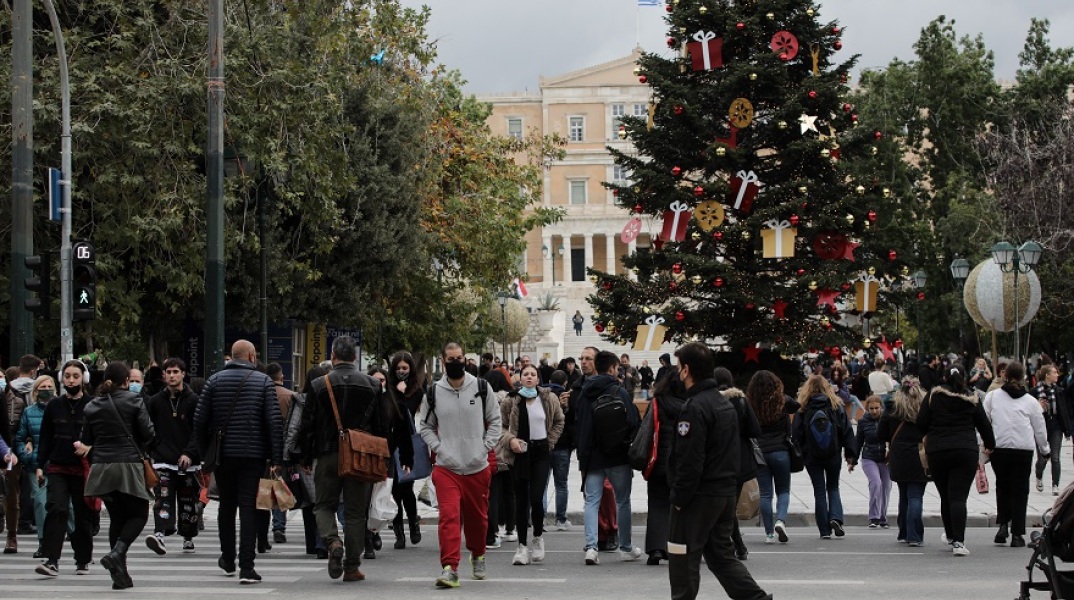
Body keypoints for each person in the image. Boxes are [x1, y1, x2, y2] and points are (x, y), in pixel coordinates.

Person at [666, 342, 772, 600]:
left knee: (682, 556)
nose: (678, 372)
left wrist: (679, 498)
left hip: (698, 496)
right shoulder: (723, 404)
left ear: (686, 370)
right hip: (723, 493)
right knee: (722, 556)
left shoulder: (694, 407)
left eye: (679, 367)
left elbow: (690, 460)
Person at [298, 336, 405, 581]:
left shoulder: (318, 385)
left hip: (327, 453)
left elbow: (308, 426)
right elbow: (381, 426)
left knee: (324, 505)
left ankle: (333, 542)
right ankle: (351, 566)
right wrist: (383, 458)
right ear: (355, 358)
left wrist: (305, 455)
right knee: (357, 512)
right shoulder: (372, 385)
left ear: (333, 356)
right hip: (360, 456)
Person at [194, 340, 283, 584]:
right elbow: (273, 422)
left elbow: (200, 421)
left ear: (232, 357)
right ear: (252, 356)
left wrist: (205, 454)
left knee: (226, 506)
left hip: (223, 456)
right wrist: (276, 458)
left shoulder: (214, 381)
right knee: (248, 508)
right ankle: (247, 567)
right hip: (253, 456)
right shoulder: (264, 382)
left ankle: (227, 559)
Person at [418, 342, 501, 588]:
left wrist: (484, 447)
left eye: (459, 358)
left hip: (477, 466)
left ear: (465, 359)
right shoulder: (433, 392)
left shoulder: (481, 387)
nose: (456, 362)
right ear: (443, 362)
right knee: (449, 517)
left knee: (477, 519)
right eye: (451, 359)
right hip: (446, 468)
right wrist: (440, 448)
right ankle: (450, 568)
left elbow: (495, 420)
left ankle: (478, 555)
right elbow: (425, 426)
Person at [81, 362, 156, 590]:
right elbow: (148, 432)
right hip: (128, 464)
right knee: (139, 514)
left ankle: (120, 575)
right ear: (125, 381)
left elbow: (87, 438)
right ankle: (117, 552)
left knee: (117, 517)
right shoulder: (134, 401)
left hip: (102, 466)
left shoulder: (92, 406)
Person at [917, 365, 995, 556]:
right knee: (958, 497)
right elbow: (984, 424)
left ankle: (951, 536)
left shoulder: (933, 395)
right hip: (965, 450)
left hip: (938, 450)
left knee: (945, 495)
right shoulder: (972, 398)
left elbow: (921, 423)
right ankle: (959, 542)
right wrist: (990, 445)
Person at [575, 350, 642, 565]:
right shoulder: (618, 390)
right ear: (613, 368)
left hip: (593, 456)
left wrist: (583, 457)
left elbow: (582, 426)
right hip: (617, 455)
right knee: (622, 501)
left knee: (592, 501)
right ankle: (626, 547)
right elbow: (632, 421)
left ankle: (592, 547)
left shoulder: (585, 392)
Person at [34, 360, 94, 577]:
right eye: (67, 376)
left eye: (75, 376)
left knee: (81, 515)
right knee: (57, 509)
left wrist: (89, 447)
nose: (71, 380)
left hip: (82, 469)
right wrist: (39, 465)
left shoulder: (92, 404)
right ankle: (51, 560)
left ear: (83, 379)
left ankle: (83, 559)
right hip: (58, 467)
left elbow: (100, 436)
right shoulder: (54, 405)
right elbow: (45, 438)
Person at [500, 364, 564, 565]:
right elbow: (500, 427)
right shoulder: (511, 400)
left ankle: (537, 537)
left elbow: (558, 421)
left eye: (533, 374)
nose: (529, 377)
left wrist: (550, 441)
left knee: (536, 497)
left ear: (538, 379)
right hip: (519, 453)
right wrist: (511, 440)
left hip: (541, 452)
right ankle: (521, 546)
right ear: (520, 378)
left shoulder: (548, 398)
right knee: (521, 501)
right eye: (525, 374)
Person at [984, 361, 1049, 548]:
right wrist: (1044, 450)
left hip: (1000, 448)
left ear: (1004, 375)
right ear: (1023, 378)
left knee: (1003, 487)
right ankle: (1018, 534)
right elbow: (1039, 429)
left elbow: (986, 421)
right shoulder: (1030, 401)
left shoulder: (993, 397)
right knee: (1020, 491)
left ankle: (1003, 525)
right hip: (1023, 449)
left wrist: (985, 443)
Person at [143, 357, 201, 556]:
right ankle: (160, 533)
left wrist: (190, 453)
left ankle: (188, 536)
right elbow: (149, 429)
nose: (172, 376)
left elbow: (198, 431)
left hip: (187, 462)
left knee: (188, 500)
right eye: (168, 372)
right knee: (163, 498)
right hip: (162, 460)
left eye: (176, 372)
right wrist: (150, 453)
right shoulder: (155, 402)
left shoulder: (194, 401)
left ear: (183, 374)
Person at [793, 375, 858, 539]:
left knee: (819, 491)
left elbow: (796, 434)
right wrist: (850, 454)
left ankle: (824, 530)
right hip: (833, 453)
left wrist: (799, 453)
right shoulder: (836, 406)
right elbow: (847, 431)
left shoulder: (803, 408)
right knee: (833, 487)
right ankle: (835, 517)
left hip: (812, 455)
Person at [747, 370, 799, 545]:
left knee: (766, 494)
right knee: (783, 490)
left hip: (760, 453)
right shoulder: (782, 401)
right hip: (781, 451)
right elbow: (797, 406)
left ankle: (769, 533)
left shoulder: (751, 404)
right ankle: (781, 521)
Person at [714, 367, 759, 561]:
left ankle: (733, 545)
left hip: (718, 459)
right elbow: (755, 429)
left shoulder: (712, 401)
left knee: (724, 505)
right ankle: (736, 545)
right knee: (729, 505)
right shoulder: (741, 400)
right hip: (739, 459)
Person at [878, 379, 929, 546]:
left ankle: (904, 532)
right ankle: (914, 536)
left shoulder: (893, 408)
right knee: (915, 495)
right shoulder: (924, 408)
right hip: (919, 454)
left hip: (898, 455)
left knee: (904, 495)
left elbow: (881, 433)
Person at [644, 367, 686, 564]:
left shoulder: (657, 403)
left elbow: (645, 429)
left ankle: (655, 549)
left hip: (657, 461)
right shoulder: (688, 405)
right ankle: (672, 547)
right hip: (679, 463)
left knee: (656, 505)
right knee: (676, 506)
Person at [387, 351, 426, 550]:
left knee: (407, 490)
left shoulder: (416, 392)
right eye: (398, 368)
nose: (401, 372)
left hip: (406, 445)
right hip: (390, 444)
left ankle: (413, 523)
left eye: (405, 368)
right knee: (393, 491)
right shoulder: (388, 390)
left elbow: (406, 413)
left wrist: (401, 395)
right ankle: (398, 532)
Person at [14, 375, 55, 557]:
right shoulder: (29, 412)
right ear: (36, 391)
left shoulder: (59, 409)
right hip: (36, 464)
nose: (46, 389)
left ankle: (75, 540)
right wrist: (26, 456)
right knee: (40, 502)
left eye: (49, 386)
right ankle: (44, 542)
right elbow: (20, 437)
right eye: (42, 386)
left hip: (59, 463)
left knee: (67, 507)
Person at [4, 354, 38, 553]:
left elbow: (10, 426)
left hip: (11, 448)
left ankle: (12, 534)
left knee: (12, 492)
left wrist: (22, 443)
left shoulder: (14, 400)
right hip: (14, 447)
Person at [855, 396, 891, 528]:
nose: (874, 411)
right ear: (867, 409)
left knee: (886, 487)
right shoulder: (863, 421)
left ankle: (883, 517)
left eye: (877, 408)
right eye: (871, 409)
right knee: (876, 483)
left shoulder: (887, 419)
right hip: (869, 456)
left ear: (881, 407)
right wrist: (852, 460)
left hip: (885, 458)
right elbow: (858, 441)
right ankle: (874, 517)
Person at [1033, 364, 1067, 496]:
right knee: (1042, 458)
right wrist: (1037, 404)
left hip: (1056, 427)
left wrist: (1067, 429)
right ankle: (1039, 476)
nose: (1057, 375)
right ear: (1047, 375)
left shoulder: (1059, 391)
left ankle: (1055, 485)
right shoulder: (1035, 391)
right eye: (1054, 373)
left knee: (1055, 457)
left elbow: (1063, 410)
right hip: (1041, 427)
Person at [546, 369, 574, 532]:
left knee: (543, 484)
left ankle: (539, 518)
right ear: (565, 383)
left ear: (550, 381)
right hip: (563, 445)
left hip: (545, 444)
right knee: (561, 484)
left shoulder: (542, 397)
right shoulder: (567, 397)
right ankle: (561, 519)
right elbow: (571, 422)